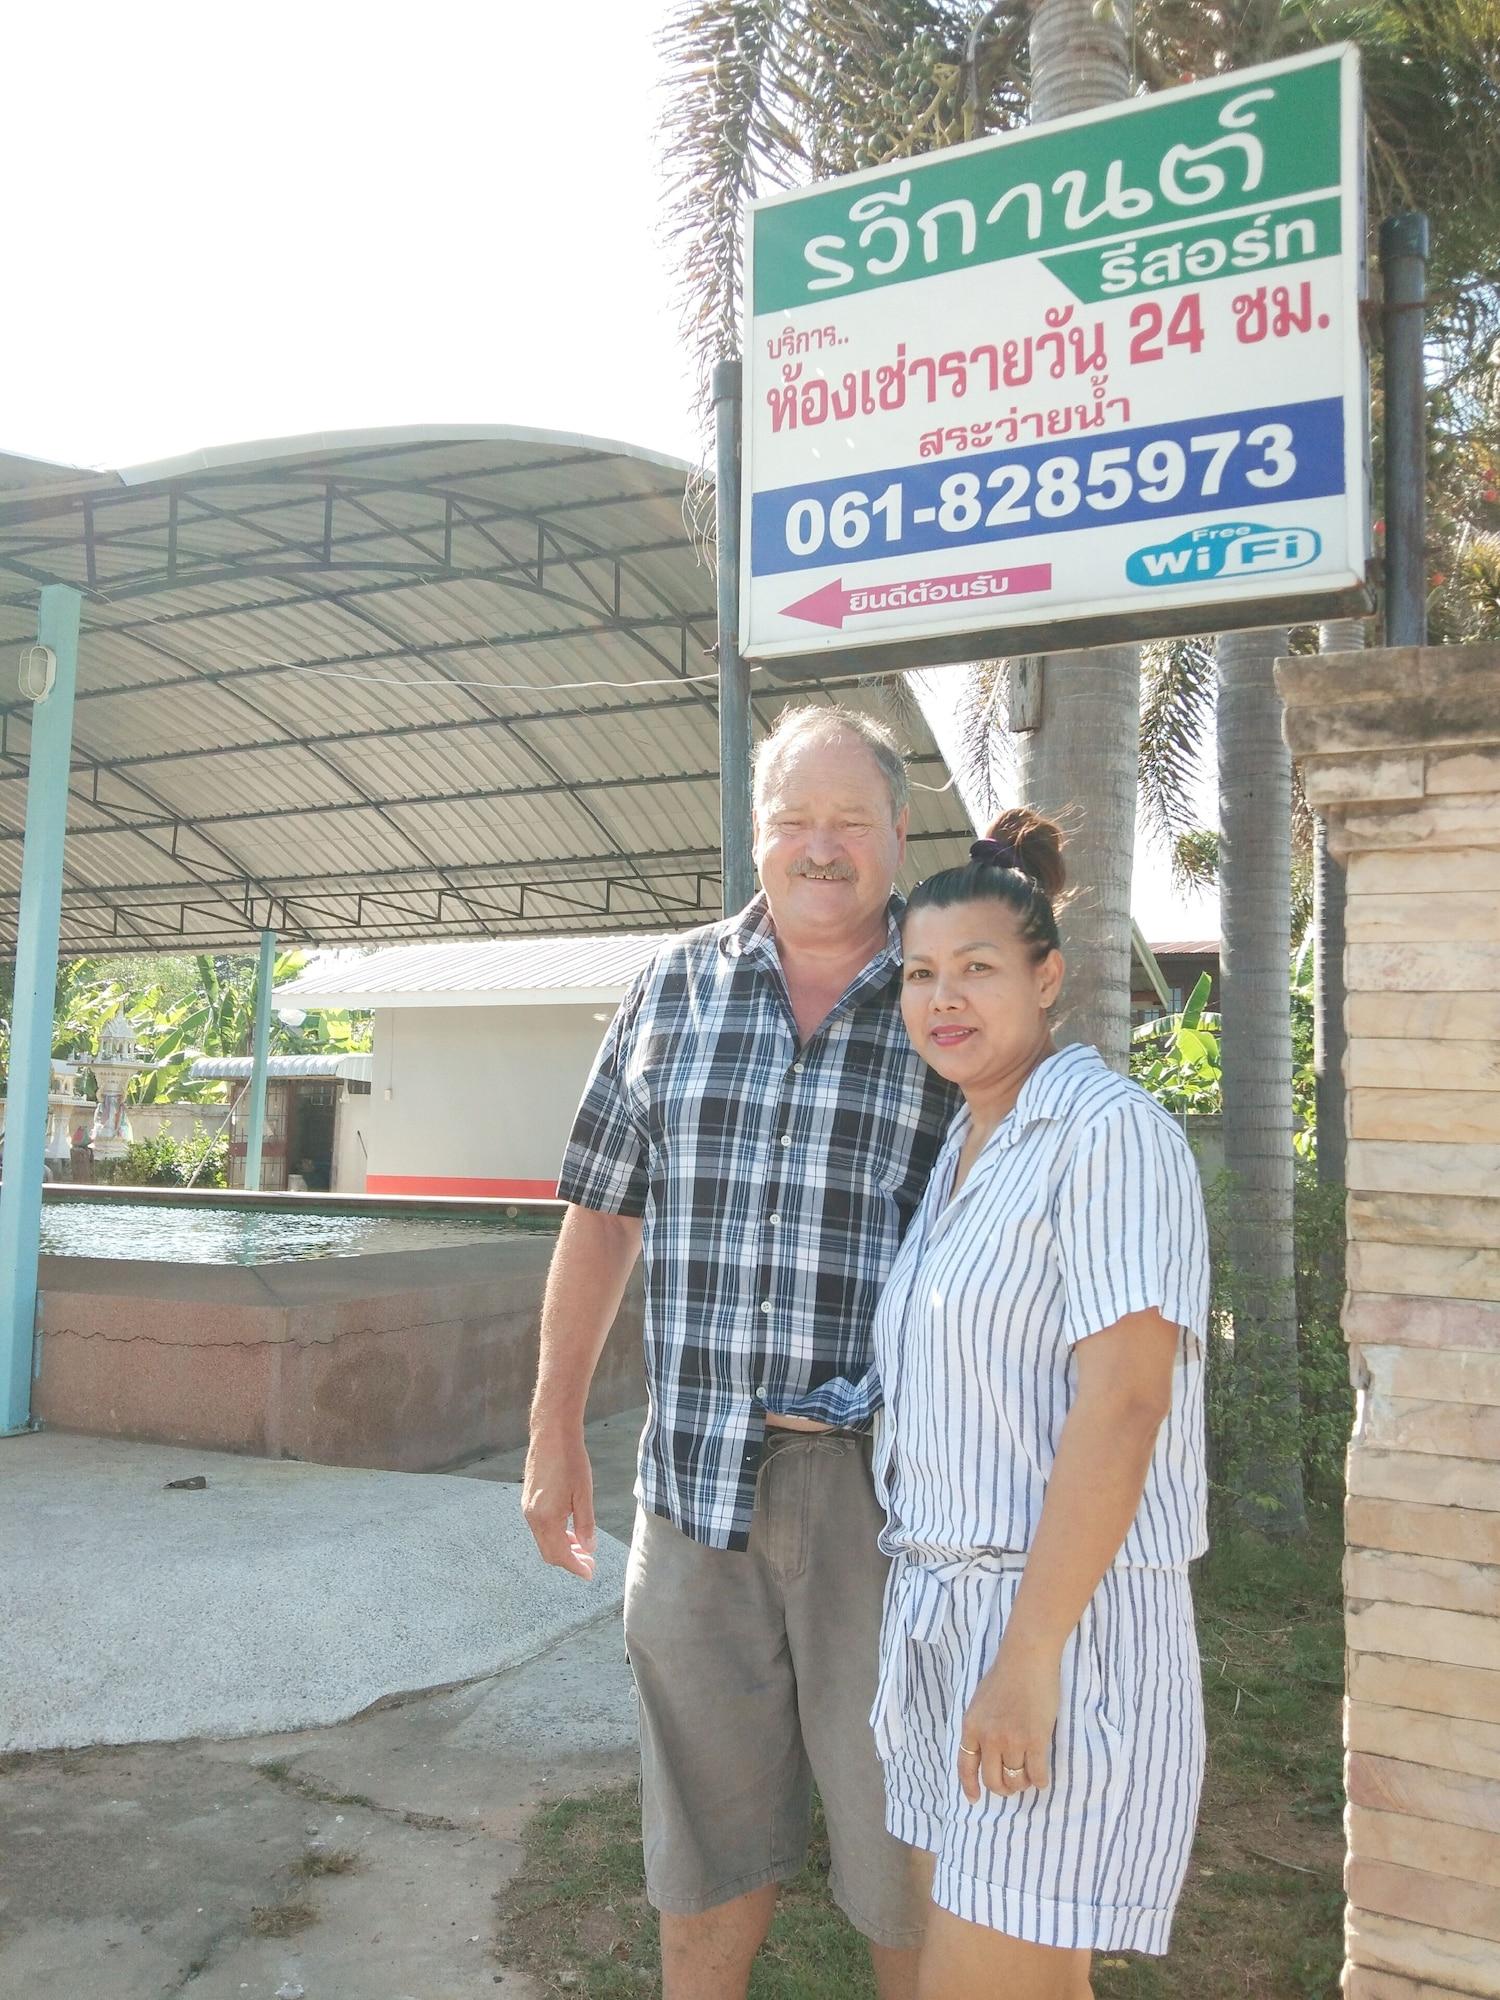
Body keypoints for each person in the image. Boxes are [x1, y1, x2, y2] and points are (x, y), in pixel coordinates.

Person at [522, 704, 958, 2000]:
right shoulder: (672, 986)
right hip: (692, 1485)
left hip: (894, 1509)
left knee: (910, 1846)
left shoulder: (953, 1000)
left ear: (896, 832)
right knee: (702, 1845)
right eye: (793, 821)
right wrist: (552, 1432)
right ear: (757, 834)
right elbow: (600, 1216)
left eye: (849, 822)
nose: (820, 848)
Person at [871, 808, 1209, 2000]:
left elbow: (1124, 1404)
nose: (942, 998)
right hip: (937, 1624)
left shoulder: (1106, 1135)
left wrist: (1026, 1656)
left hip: (1055, 1632)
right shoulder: (964, 1153)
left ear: (1047, 975)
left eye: (977, 969)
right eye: (920, 973)